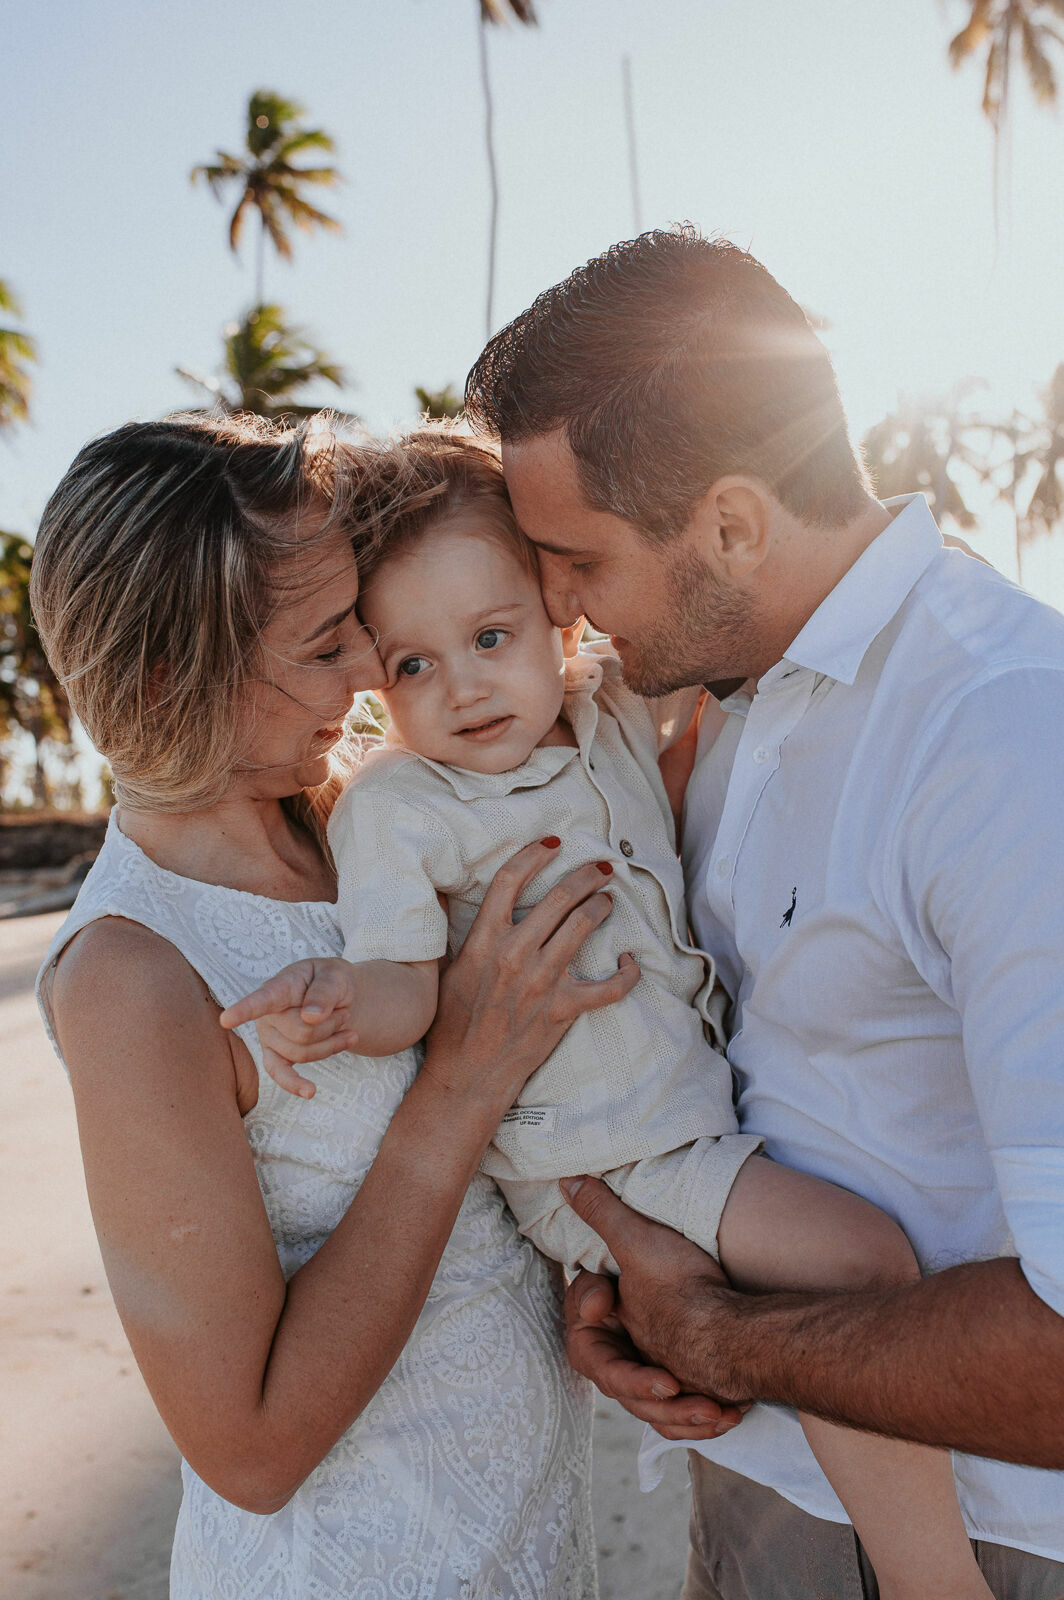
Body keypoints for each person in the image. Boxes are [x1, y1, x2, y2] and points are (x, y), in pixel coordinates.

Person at [226, 426, 990, 1599]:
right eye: (414, 666)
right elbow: (404, 982)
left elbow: (713, 639)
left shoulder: (603, 718)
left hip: (678, 1123)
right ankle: (934, 1579)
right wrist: (338, 1002)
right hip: (603, 1158)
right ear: (377, 678)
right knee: (856, 1260)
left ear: (555, 616)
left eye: (490, 637)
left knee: (824, 1281)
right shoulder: (403, 809)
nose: (464, 686)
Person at [459, 227, 1064, 1598]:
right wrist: (628, 1308)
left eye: (576, 559)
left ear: (731, 524)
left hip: (995, 1538)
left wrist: (720, 1333)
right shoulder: (718, 705)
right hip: (763, 1482)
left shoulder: (1009, 740)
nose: (550, 605)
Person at [29, 411, 641, 1599]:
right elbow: (248, 1446)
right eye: (323, 647)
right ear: (174, 675)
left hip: (532, 1544)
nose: (371, 671)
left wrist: (578, 1285)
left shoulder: (373, 815)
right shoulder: (132, 972)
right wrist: (459, 1080)